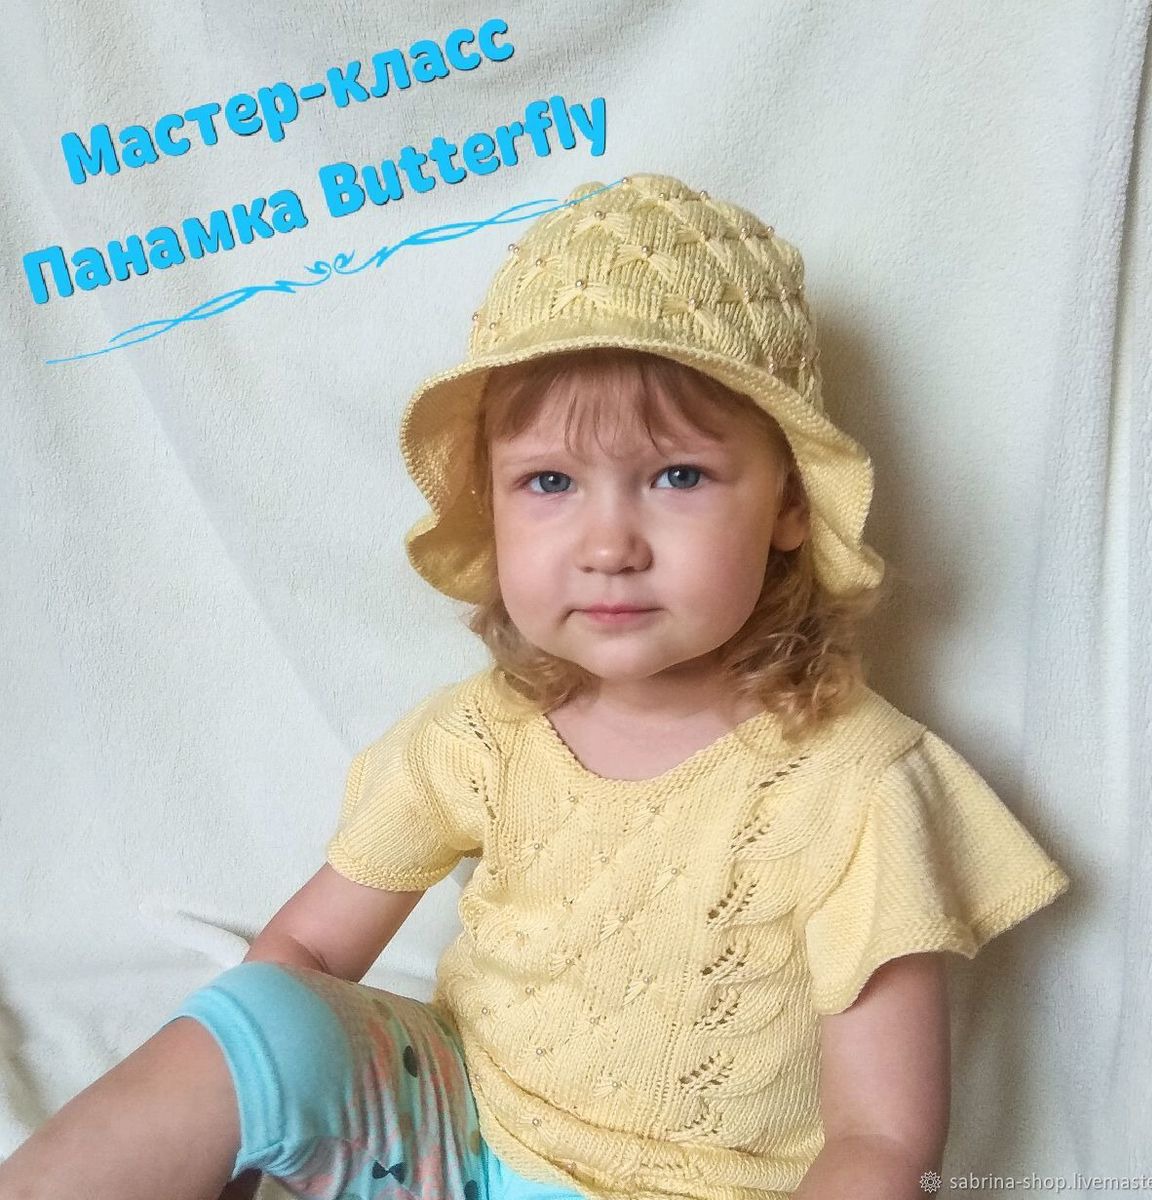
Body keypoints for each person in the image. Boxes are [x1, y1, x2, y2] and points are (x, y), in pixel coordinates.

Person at [0, 173, 1072, 1200]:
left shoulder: (858, 786)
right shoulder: (484, 733)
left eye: (678, 476)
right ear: (494, 504)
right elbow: (308, 954)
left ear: (790, 504)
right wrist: (237, 1128)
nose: (610, 546)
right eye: (550, 481)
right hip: (456, 1134)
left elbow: (882, 1138)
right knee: (258, 1017)